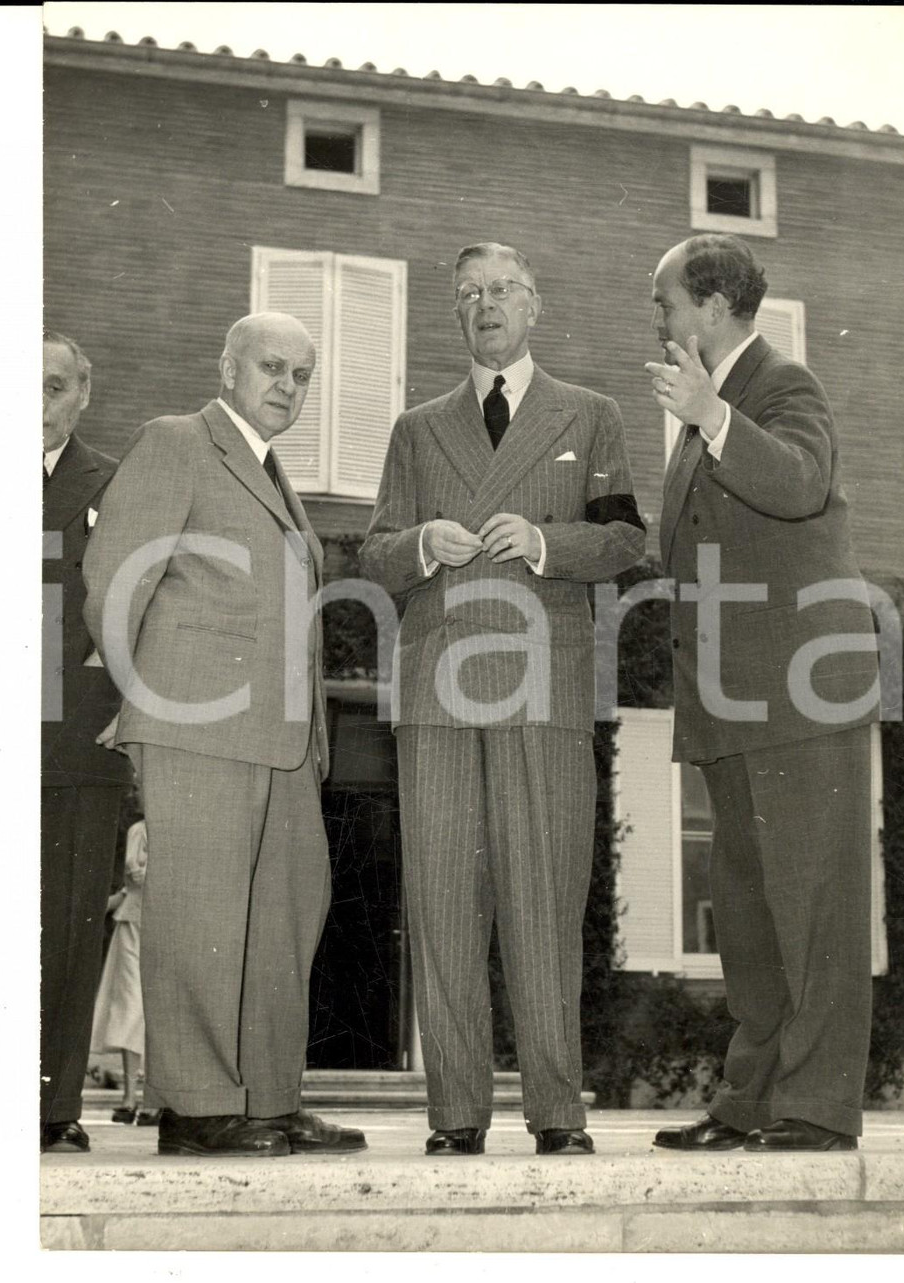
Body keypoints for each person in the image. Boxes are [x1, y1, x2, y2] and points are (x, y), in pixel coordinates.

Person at [360, 243, 646, 1156]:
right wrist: (419, 545)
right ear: (457, 315)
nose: (485, 306)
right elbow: (372, 551)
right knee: (443, 902)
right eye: (468, 295)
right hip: (438, 682)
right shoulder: (417, 428)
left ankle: (557, 1111)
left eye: (501, 292)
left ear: (535, 307)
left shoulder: (590, 416)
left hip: (544, 681)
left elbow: (627, 540)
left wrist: (547, 539)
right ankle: (456, 1115)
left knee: (546, 901)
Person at [83, 313, 366, 1158]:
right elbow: (113, 578)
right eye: (271, 366)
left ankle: (269, 1099)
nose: (288, 384)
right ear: (228, 366)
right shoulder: (176, 441)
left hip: (281, 741)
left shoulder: (274, 475)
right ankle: (198, 1107)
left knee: (283, 917)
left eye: (303, 374)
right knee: (202, 916)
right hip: (198, 727)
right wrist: (148, 706)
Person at [646, 233, 880, 1153]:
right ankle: (749, 1102)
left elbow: (800, 481)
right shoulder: (712, 406)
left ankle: (816, 1107)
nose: (658, 319)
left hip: (798, 696)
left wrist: (712, 417)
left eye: (665, 302)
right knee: (747, 917)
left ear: (711, 306)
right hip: (732, 702)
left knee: (814, 907)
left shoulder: (785, 385)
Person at [42, 330, 132, 1154]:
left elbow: (138, 610)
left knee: (70, 924)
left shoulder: (112, 484)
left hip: (76, 740)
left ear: (82, 394)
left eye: (55, 386)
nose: (39, 404)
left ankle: (54, 1100)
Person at [90, 813, 159, 1126]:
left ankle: (157, 1100)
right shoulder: (138, 830)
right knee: (131, 1005)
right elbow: (134, 877)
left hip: (168, 928)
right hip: (134, 924)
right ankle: (130, 1098)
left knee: (161, 1012)